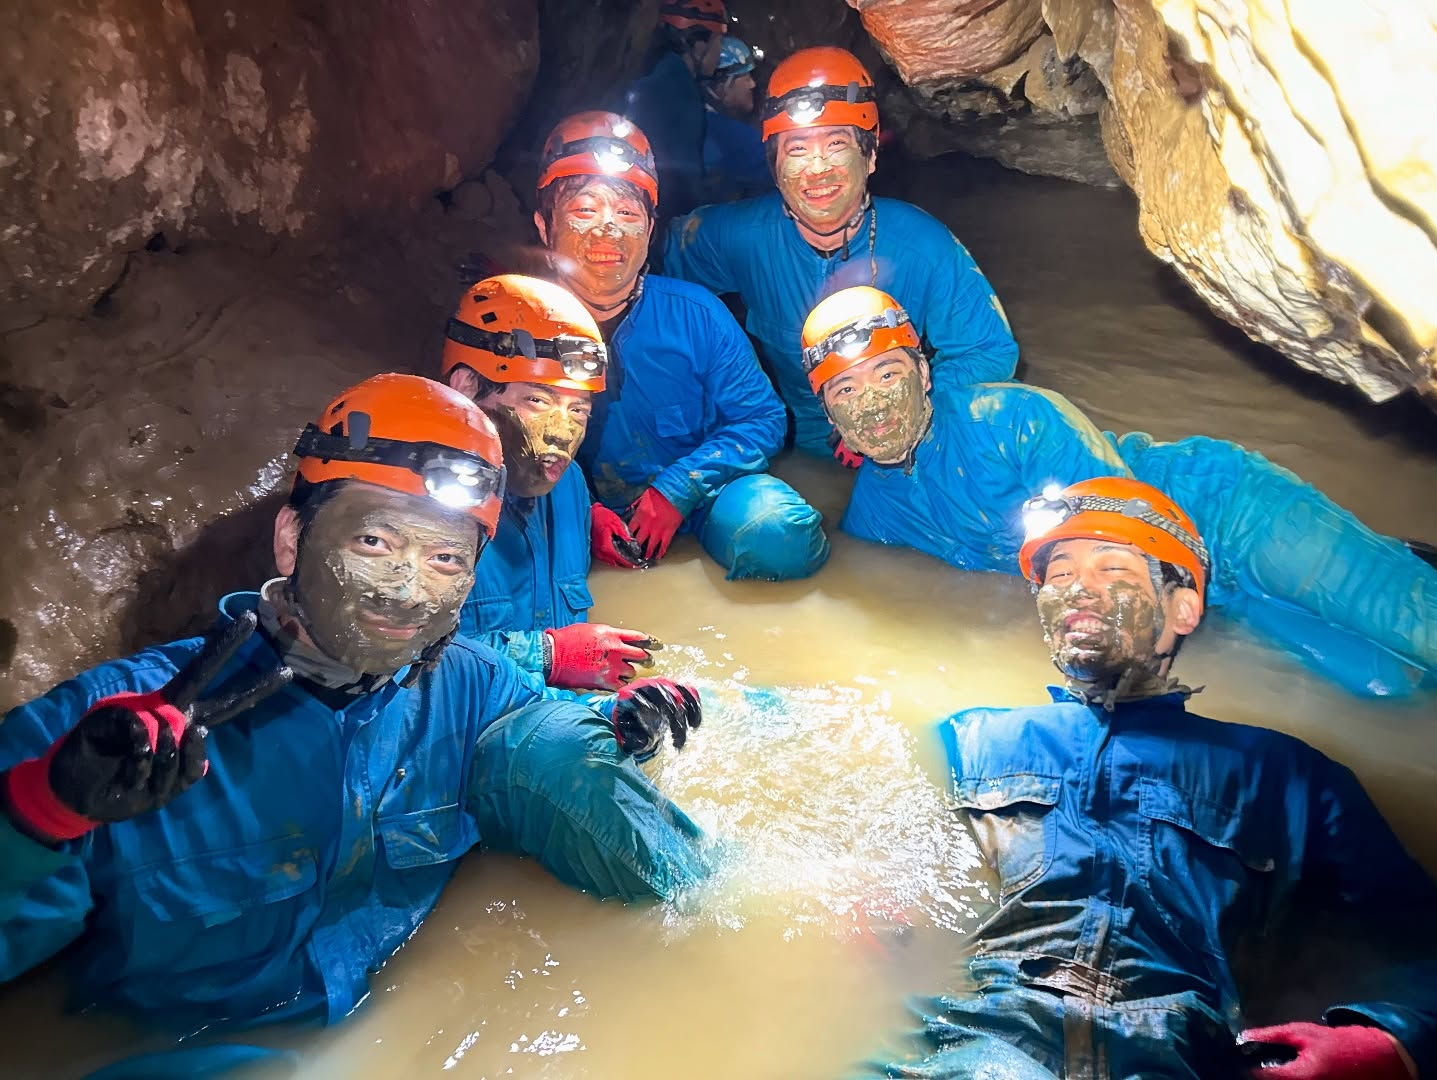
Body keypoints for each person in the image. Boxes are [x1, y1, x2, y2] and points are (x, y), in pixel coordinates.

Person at [0, 374, 709, 1033]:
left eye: (446, 560)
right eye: (374, 541)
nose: (407, 591)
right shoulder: (104, 729)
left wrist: (621, 727)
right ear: (290, 540)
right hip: (184, 1050)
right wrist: (40, 813)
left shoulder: (462, 682)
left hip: (399, 1021)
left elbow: (537, 725)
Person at [876, 478, 1437, 1079]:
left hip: (1186, 1052)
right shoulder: (968, 740)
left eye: (1111, 568)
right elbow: (848, 852)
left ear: (1183, 608)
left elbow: (1419, 931)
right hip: (968, 1039)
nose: (1077, 589)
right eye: (1059, 575)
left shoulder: (1281, 774)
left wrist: (1391, 1039)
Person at [802, 286, 1437, 696]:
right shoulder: (876, 514)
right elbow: (876, 600)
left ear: (922, 370)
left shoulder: (1013, 418)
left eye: (887, 372)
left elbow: (1125, 542)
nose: (874, 404)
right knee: (1393, 691)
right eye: (846, 391)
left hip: (1227, 514)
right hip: (1211, 602)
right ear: (829, 416)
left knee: (1419, 626)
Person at [664, 46, 1018, 460]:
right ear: (774, 166)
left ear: (869, 156)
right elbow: (654, 275)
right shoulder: (736, 236)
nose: (818, 169)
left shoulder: (923, 246)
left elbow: (988, 351)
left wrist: (897, 410)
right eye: (796, 149)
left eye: (836, 144)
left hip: (905, 444)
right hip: (793, 445)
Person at [534, 111, 829, 582]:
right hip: (575, 509)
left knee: (779, 536)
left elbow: (764, 419)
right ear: (545, 226)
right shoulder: (513, 325)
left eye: (628, 213)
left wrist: (677, 490)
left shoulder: (698, 314)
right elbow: (493, 452)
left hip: (702, 495)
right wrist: (578, 511)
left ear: (650, 231)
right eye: (584, 210)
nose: (608, 230)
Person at [442, 272, 661, 691]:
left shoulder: (568, 484)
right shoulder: (417, 509)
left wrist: (590, 515)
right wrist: (545, 655)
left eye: (578, 410)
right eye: (538, 401)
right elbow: (397, 666)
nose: (563, 433)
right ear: (466, 387)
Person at [622, 0, 728, 222]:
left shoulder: (658, 71)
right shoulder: (675, 86)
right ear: (698, 44)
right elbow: (683, 175)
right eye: (719, 41)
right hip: (663, 216)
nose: (720, 52)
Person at [700, 35, 771, 203]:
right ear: (721, 85)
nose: (752, 84)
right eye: (745, 77)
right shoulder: (733, 136)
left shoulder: (698, 121)